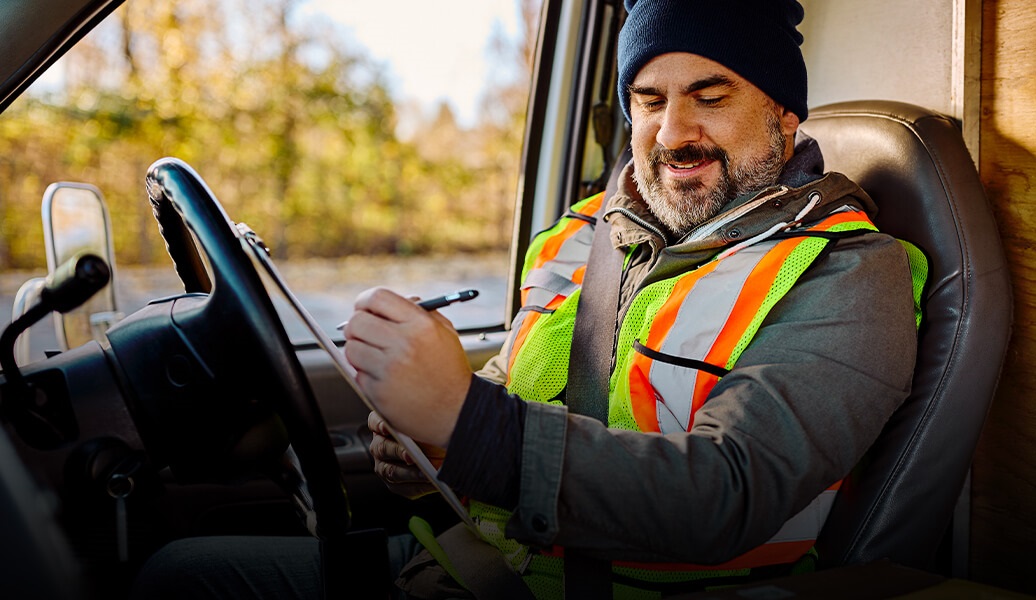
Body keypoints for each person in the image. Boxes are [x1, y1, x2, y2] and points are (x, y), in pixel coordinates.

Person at [131, 0, 923, 598]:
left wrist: (464, 421)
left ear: (783, 114)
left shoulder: (852, 275)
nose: (673, 130)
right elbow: (521, 397)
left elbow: (723, 497)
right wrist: (427, 446)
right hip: (478, 562)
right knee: (174, 574)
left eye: (710, 97)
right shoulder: (584, 232)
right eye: (648, 100)